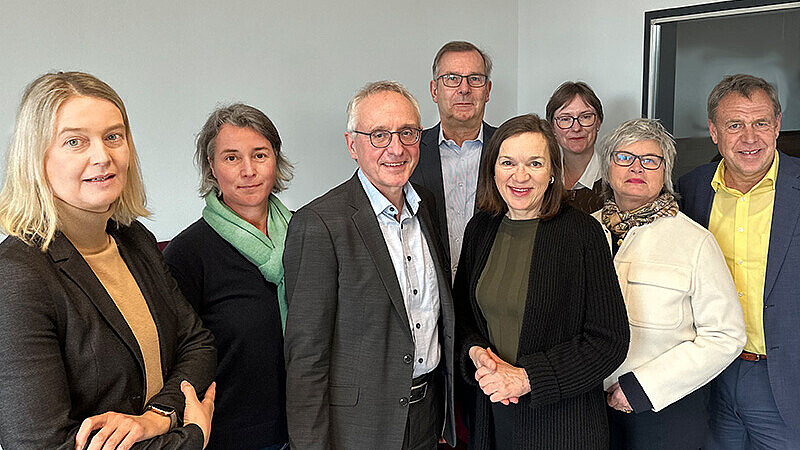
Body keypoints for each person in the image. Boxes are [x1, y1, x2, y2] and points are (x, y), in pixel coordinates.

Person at [0, 71, 216, 449]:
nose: (102, 156)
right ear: (36, 158)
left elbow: (197, 344)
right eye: (74, 141)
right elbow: (42, 446)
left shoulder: (135, 241)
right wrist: (190, 437)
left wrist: (159, 417)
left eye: (113, 136)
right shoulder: (17, 276)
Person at [282, 81, 455, 449]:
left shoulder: (428, 205)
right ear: (352, 145)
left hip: (427, 415)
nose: (396, 148)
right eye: (379, 135)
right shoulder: (319, 223)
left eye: (407, 133)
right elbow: (306, 358)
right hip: (358, 427)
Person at [454, 113, 629, 449]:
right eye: (508, 162)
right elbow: (462, 315)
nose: (520, 176)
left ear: (552, 173)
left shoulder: (583, 234)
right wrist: (476, 352)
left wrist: (526, 378)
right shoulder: (481, 228)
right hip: (491, 415)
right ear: (493, 169)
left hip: (562, 424)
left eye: (535, 163)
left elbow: (610, 340)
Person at [594, 118, 745, 449]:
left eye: (650, 160)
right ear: (607, 168)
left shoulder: (694, 241)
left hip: (663, 411)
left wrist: (642, 387)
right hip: (588, 406)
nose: (637, 167)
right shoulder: (581, 232)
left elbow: (726, 336)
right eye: (624, 157)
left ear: (665, 173)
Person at [678, 74, 800, 448]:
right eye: (735, 125)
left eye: (761, 122)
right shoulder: (689, 190)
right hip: (708, 376)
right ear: (714, 131)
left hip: (785, 379)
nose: (750, 138)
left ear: (778, 126)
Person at [163, 104, 293, 449]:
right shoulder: (187, 253)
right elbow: (177, 358)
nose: (248, 170)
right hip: (233, 435)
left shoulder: (308, 232)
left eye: (260, 155)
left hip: (310, 426)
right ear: (212, 167)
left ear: (275, 161)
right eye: (232, 158)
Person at [411, 41, 496, 278]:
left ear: (487, 90)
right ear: (434, 90)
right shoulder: (409, 152)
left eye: (475, 79)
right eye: (451, 78)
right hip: (427, 295)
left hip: (492, 298)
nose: (464, 88)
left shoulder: (509, 149)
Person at [545, 81, 605, 213]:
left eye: (585, 117)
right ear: (552, 128)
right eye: (565, 119)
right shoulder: (542, 178)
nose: (576, 128)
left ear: (599, 122)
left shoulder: (613, 181)